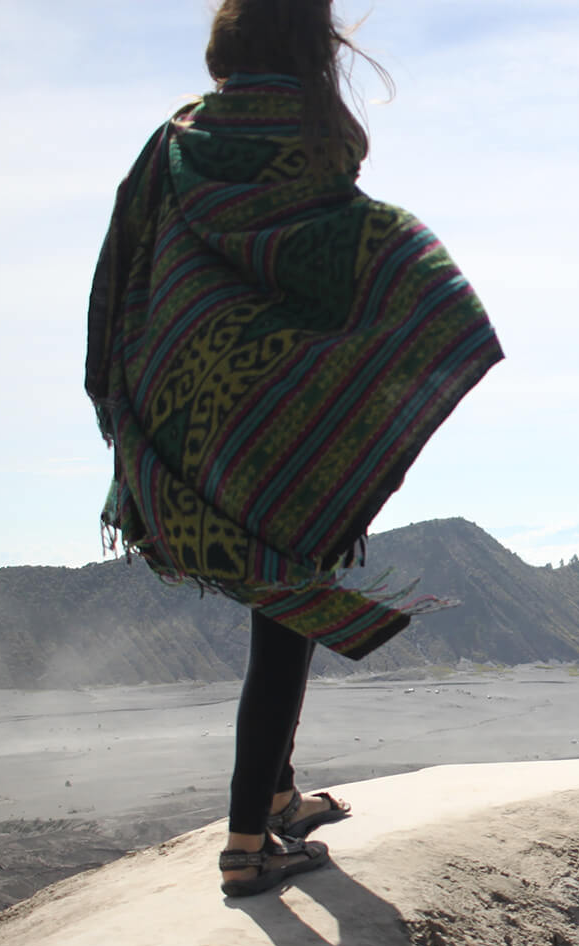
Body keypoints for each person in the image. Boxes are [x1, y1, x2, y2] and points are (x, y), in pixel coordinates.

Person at [85, 0, 502, 896]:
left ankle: (276, 793)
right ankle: (247, 842)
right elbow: (329, 257)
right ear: (311, 48)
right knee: (286, 616)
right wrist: (415, 286)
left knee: (279, 608)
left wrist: (122, 400)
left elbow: (119, 272)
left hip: (190, 408)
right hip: (278, 411)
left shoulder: (173, 146)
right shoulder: (311, 136)